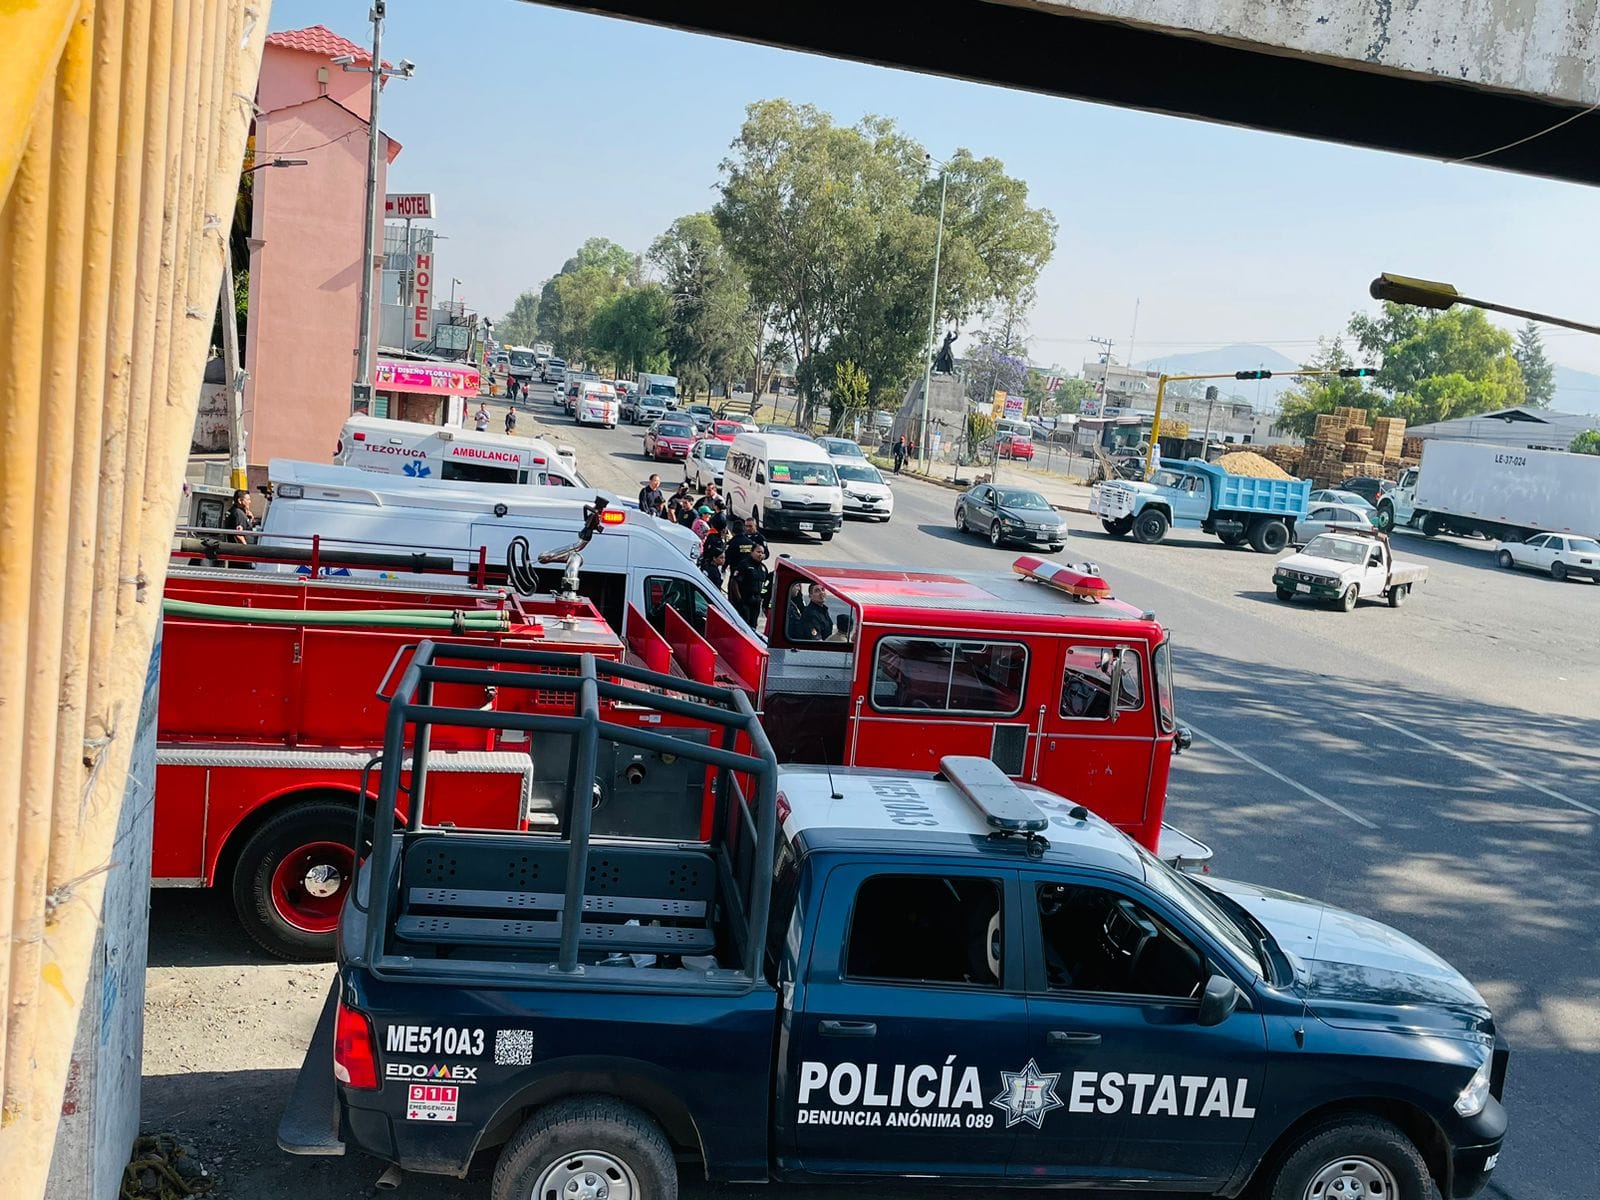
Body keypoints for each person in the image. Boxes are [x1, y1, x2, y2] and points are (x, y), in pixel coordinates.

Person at [729, 542, 770, 630]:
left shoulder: (762, 568)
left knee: (753, 626)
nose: (760, 554)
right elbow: (734, 582)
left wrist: (762, 597)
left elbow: (765, 585)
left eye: (762, 553)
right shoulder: (744, 565)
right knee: (744, 626)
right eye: (758, 552)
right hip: (745, 600)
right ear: (751, 552)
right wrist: (739, 600)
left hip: (756, 601)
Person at [225, 489, 257, 569]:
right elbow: (238, 535)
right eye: (248, 500)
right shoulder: (238, 513)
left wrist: (250, 520)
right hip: (241, 557)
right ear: (240, 500)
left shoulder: (234, 511)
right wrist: (247, 551)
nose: (250, 502)